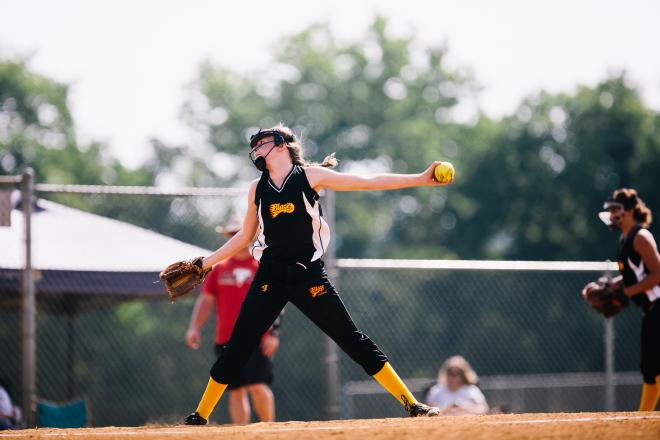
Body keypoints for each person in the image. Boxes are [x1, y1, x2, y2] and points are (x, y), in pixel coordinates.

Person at [182, 123, 453, 425]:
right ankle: (200, 415)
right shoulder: (256, 189)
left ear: (282, 145)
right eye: (254, 145)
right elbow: (245, 236)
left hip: (307, 275)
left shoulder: (310, 177)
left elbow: (368, 181)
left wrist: (420, 178)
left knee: (351, 338)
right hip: (270, 276)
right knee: (239, 344)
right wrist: (206, 263)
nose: (256, 148)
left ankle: (412, 404)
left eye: (262, 142)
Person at [186, 222, 281, 424]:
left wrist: (273, 334)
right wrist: (194, 327)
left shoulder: (261, 266)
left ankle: (271, 430)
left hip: (257, 337)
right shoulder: (219, 269)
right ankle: (241, 433)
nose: (235, 236)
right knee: (235, 389)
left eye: (239, 233)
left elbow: (277, 301)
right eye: (231, 234)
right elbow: (206, 301)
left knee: (257, 385)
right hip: (226, 338)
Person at [583, 188, 660, 411]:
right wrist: (613, 285)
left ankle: (643, 417)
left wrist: (626, 292)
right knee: (649, 367)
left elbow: (657, 274)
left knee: (654, 365)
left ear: (628, 211)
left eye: (615, 209)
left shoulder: (641, 237)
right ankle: (643, 417)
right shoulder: (624, 240)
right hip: (651, 310)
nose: (611, 214)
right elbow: (632, 275)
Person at [425, 355, 489, 415]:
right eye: (450, 373)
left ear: (463, 375)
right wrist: (448, 409)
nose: (453, 377)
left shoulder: (472, 390)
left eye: (457, 373)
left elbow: (484, 409)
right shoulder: (436, 391)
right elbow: (428, 412)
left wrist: (464, 408)